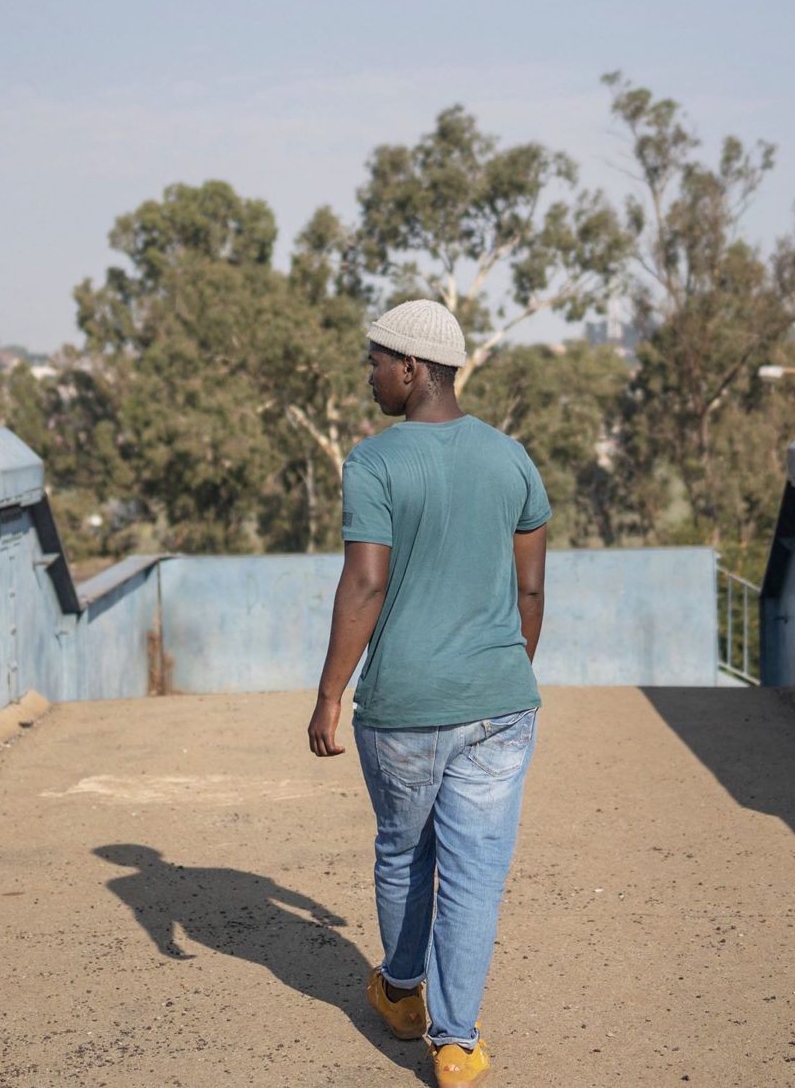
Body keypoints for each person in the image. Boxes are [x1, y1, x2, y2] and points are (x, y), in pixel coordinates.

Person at [308, 298, 549, 1088]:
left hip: (404, 708)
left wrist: (330, 693)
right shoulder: (513, 458)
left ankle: (405, 993)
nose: (369, 374)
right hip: (501, 703)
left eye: (376, 361)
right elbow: (532, 588)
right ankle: (455, 1046)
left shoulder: (375, 463)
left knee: (405, 850)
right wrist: (506, 672)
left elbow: (366, 581)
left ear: (411, 369)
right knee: (476, 871)